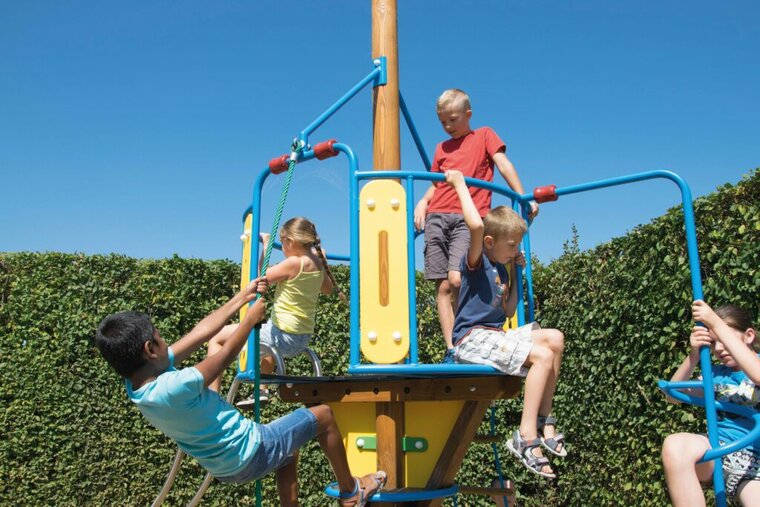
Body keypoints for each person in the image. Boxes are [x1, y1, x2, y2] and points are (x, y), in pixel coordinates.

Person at [94, 279, 385, 507]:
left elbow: (201, 332)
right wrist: (249, 320)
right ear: (150, 349)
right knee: (323, 415)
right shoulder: (174, 385)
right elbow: (223, 357)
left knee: (288, 451)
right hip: (252, 450)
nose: (164, 339)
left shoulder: (138, 384)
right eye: (159, 335)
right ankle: (352, 492)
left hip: (226, 468)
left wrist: (242, 297)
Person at [445, 169, 565, 478]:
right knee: (541, 356)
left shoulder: (500, 266)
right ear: (489, 242)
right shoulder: (477, 262)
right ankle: (526, 437)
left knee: (554, 338)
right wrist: (459, 184)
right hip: (471, 339)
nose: (516, 251)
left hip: (496, 333)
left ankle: (544, 418)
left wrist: (514, 270)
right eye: (511, 246)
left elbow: (508, 307)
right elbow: (474, 225)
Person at [413, 88, 539, 363]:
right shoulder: (441, 148)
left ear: (468, 115)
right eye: (442, 122)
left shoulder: (483, 135)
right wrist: (423, 202)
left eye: (453, 120)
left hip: (467, 218)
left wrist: (522, 195)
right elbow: (437, 183)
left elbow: (503, 164)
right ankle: (452, 348)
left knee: (458, 278)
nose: (447, 127)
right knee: (443, 287)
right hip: (437, 215)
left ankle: (471, 335)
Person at [210, 216, 342, 404]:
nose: (283, 247)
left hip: (283, 336)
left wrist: (265, 246)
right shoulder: (317, 261)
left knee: (217, 337)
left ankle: (211, 397)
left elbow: (257, 279)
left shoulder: (294, 263)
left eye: (282, 242)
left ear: (290, 241)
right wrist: (322, 259)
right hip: (302, 338)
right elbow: (328, 290)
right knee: (267, 338)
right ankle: (262, 391)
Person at [662, 300, 759, 506]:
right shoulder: (714, 375)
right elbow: (673, 395)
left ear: (749, 335)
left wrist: (714, 322)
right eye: (713, 342)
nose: (719, 348)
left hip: (755, 465)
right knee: (675, 445)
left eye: (726, 337)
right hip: (720, 450)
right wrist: (694, 355)